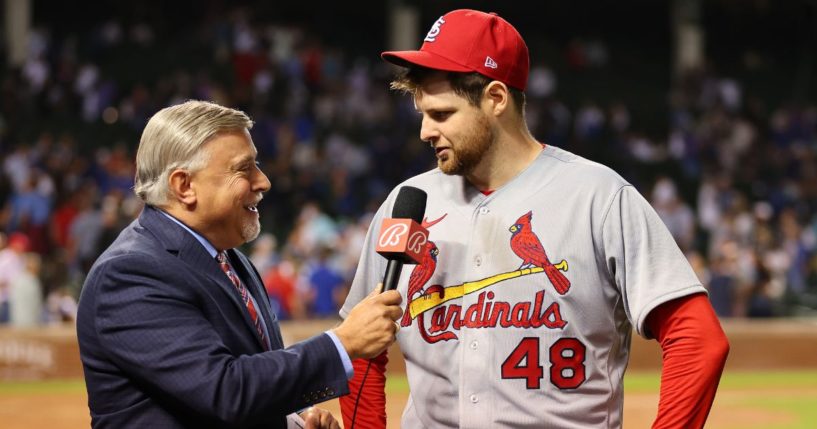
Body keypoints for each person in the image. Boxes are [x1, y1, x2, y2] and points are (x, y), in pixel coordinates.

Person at [339, 9, 729, 429]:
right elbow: (362, 352)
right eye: (423, 114)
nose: (425, 132)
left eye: (442, 114)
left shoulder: (597, 196)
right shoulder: (409, 202)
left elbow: (696, 339)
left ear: (495, 98)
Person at [76, 100, 404, 429]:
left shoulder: (229, 258)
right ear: (184, 186)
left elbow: (230, 384)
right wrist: (342, 343)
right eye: (243, 168)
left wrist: (290, 421)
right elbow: (224, 391)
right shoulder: (129, 273)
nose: (263, 182)